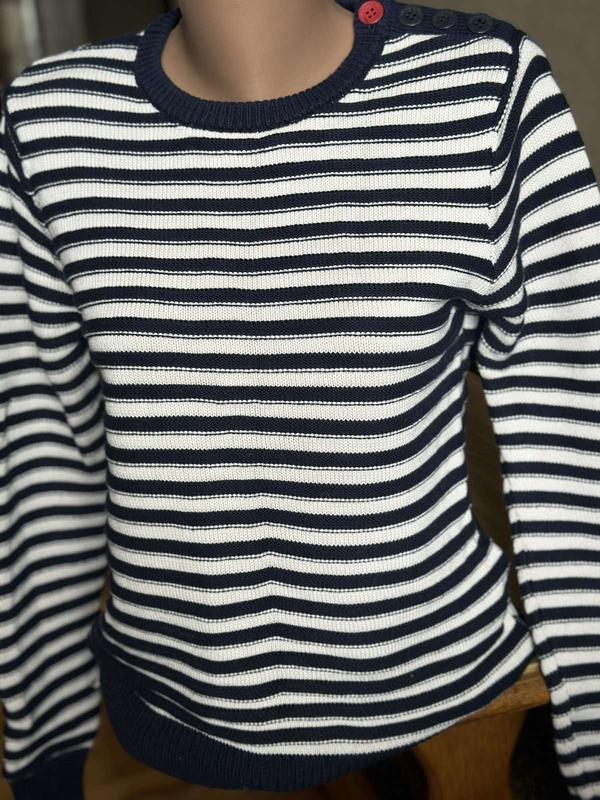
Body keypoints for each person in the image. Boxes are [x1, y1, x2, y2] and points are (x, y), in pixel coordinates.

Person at [1, 1, 600, 798]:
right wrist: (46, 750)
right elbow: (40, 445)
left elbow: (574, 440)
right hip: (170, 690)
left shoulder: (482, 88)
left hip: (435, 670)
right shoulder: (51, 120)